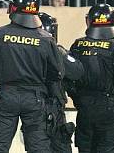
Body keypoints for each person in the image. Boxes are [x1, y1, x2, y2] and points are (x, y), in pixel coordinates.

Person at [0, 0, 64, 152]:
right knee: (38, 148)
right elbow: (56, 74)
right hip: (35, 98)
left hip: (6, 95)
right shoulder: (46, 38)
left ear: (13, 8)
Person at [69, 4, 114, 153]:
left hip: (84, 109)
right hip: (109, 110)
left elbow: (69, 77)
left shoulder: (78, 45)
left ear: (88, 20)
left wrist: (78, 98)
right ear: (113, 20)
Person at [38, 12, 84, 153]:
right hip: (52, 109)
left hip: (32, 109)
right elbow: (77, 71)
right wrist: (62, 53)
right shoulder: (57, 52)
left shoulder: (24, 50)